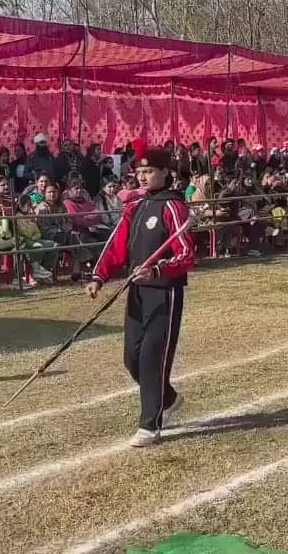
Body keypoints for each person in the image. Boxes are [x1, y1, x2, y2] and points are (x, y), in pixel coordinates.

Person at [87, 147, 195, 448]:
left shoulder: (173, 207)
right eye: (139, 172)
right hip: (136, 290)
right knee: (132, 359)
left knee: (152, 358)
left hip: (164, 292)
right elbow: (116, 244)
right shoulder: (134, 206)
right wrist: (99, 276)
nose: (143, 176)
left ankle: (151, 424)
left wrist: (159, 271)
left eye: (149, 171)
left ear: (164, 172)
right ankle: (169, 399)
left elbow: (186, 254)